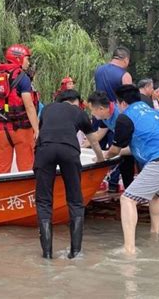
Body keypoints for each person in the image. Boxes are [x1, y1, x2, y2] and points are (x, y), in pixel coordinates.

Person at [103, 85, 159, 255]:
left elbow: (115, 150)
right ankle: (154, 235)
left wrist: (102, 155)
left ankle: (129, 250)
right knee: (155, 195)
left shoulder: (125, 117)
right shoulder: (153, 113)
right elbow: (135, 146)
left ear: (122, 103)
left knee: (127, 199)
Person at [34, 90, 104, 259]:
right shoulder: (79, 112)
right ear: (75, 101)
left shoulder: (47, 109)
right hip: (69, 151)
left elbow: (41, 132)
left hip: (45, 152)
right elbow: (93, 140)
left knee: (44, 202)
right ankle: (75, 253)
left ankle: (47, 255)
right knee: (75, 201)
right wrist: (101, 160)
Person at [0, 44, 39, 174]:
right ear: (19, 59)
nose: (28, 62)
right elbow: (29, 106)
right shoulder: (22, 78)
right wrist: (37, 129)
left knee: (1, 169)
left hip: (1, 131)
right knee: (26, 168)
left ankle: (1, 193)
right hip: (21, 130)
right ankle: (28, 193)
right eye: (27, 58)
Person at [87, 91, 136, 190]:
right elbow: (98, 134)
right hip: (126, 144)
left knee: (130, 167)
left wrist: (104, 155)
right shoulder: (105, 115)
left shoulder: (120, 115)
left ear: (101, 109)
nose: (91, 113)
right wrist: (81, 146)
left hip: (138, 143)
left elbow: (120, 149)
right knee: (124, 167)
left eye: (92, 110)